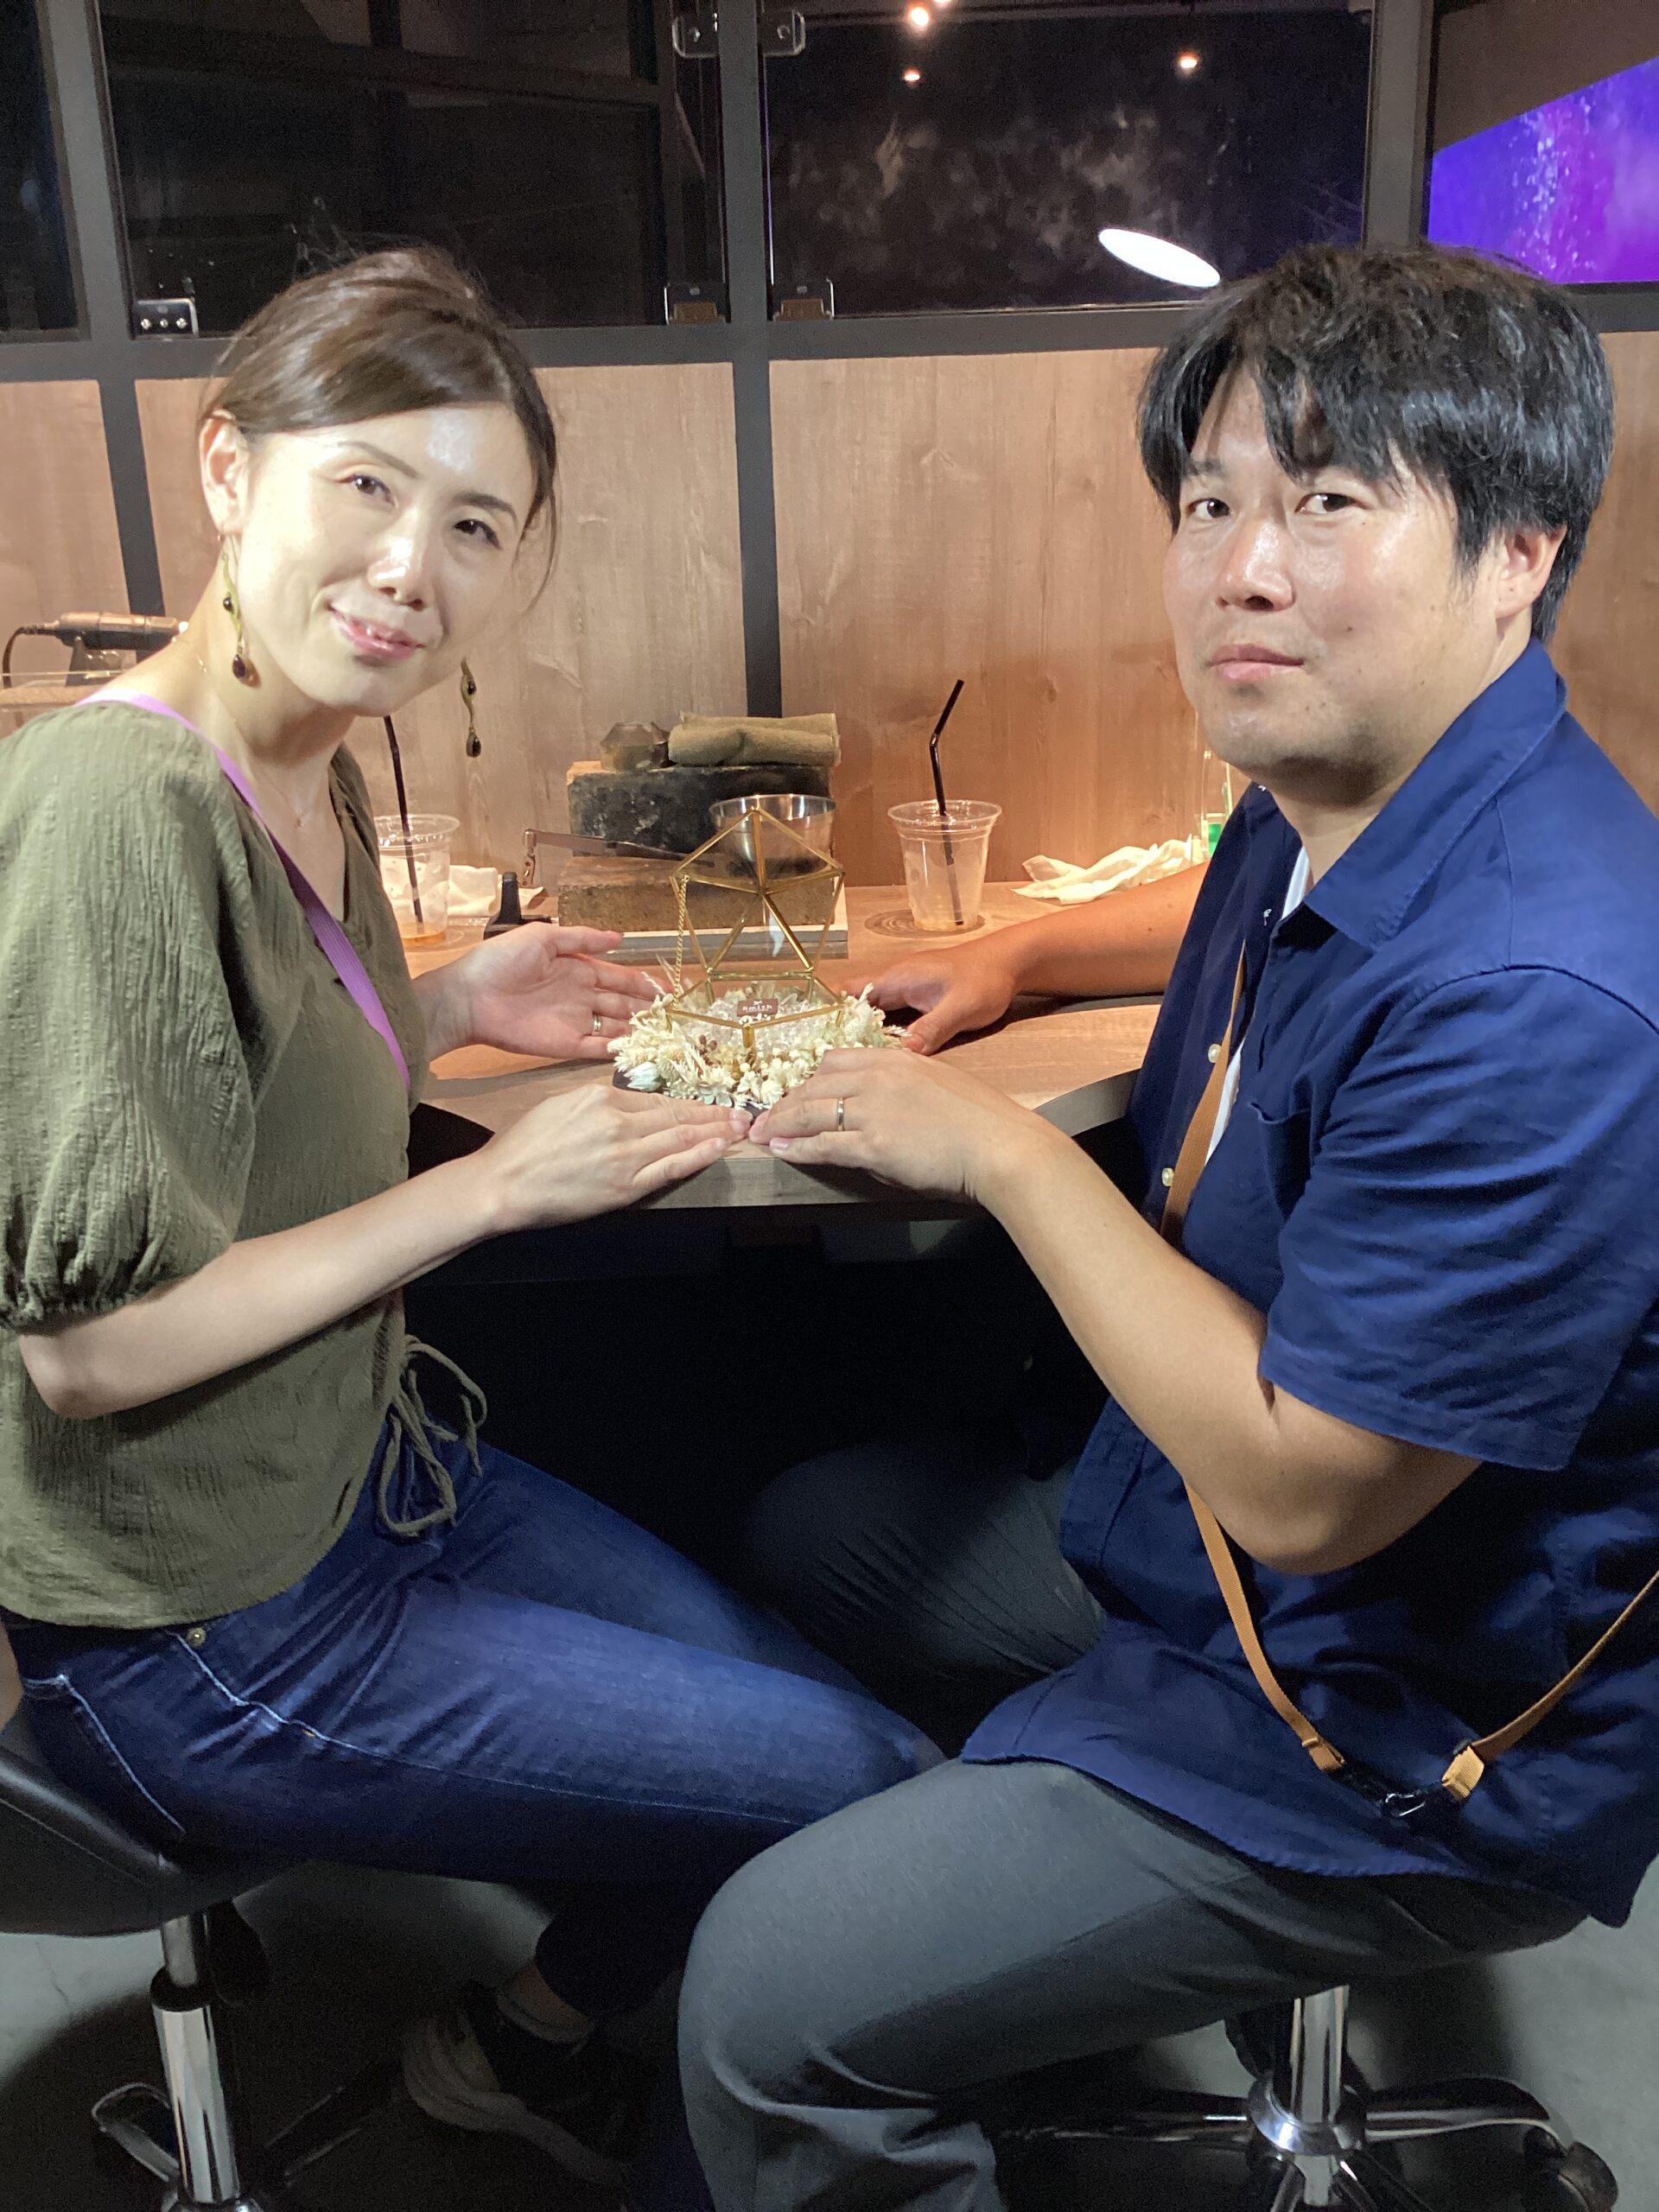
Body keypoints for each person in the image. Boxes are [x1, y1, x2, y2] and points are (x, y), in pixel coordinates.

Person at [677, 241, 1659, 2209]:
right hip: (1206, 1553)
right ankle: (1011, 1941)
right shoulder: (1355, 781)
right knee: (812, 1532)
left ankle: (919, 1989)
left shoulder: (1538, 992)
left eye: (1330, 500)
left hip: (1393, 1705)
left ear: (1518, 551)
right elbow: (1233, 880)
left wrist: (1006, 1156)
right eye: (1209, 505)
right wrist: (1020, 951)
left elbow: (1305, 1491)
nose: (1243, 570)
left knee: (761, 2002)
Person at [0, 247, 935, 2199]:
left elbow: (235, 1079)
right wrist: (489, 1185)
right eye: (365, 484)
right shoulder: (114, 807)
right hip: (200, 1625)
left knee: (828, 1716)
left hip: (371, 1477)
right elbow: (88, 1351)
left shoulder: (299, 758)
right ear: (229, 468)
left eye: (474, 524)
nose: (410, 566)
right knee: (857, 1797)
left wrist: (445, 1006)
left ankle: (514, 2041)